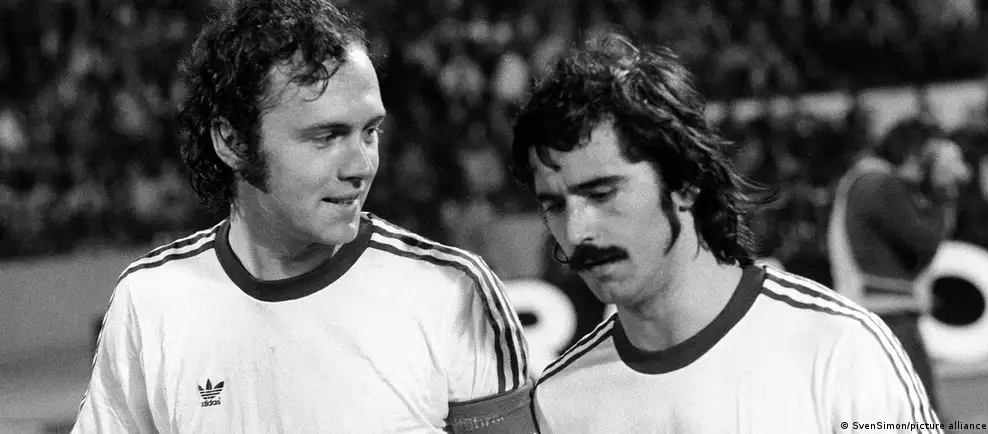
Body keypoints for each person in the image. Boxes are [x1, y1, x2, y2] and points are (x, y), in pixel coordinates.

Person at [71, 1, 534, 432]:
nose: (361, 166)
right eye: (326, 137)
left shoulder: (453, 293)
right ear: (232, 142)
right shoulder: (150, 303)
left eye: (370, 132)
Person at [511, 33, 942, 433]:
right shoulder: (558, 402)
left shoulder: (839, 350)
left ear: (684, 182)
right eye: (554, 205)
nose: (577, 230)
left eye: (602, 193)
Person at [828, 118, 971, 416]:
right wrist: (944, 192)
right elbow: (925, 240)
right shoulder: (878, 182)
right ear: (915, 152)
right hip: (885, 314)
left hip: (877, 311)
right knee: (920, 413)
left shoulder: (866, 179)